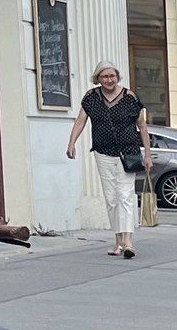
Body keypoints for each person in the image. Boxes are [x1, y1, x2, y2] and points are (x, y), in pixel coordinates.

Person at [64, 63, 152, 257]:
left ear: (117, 77)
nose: (109, 80)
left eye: (112, 76)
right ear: (98, 78)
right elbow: (80, 121)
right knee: (111, 199)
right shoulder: (91, 97)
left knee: (126, 196)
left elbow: (142, 126)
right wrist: (72, 143)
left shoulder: (130, 98)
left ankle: (128, 242)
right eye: (105, 76)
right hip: (103, 152)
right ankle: (118, 241)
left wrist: (147, 154)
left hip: (127, 153)